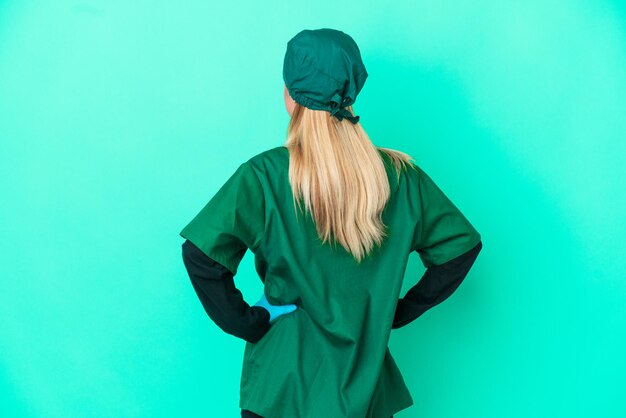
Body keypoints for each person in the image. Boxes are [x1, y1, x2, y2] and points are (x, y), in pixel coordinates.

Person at [180, 28, 483, 418]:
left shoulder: (264, 176)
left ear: (291, 97)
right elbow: (461, 248)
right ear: (351, 92)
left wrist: (249, 322)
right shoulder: (401, 177)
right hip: (366, 394)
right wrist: (397, 310)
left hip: (281, 388)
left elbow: (201, 256)